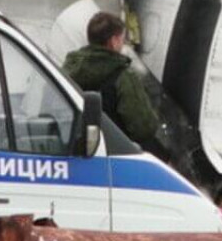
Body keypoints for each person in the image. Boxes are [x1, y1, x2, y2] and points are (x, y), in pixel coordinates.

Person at [62, 11, 160, 150]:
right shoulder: (123, 76)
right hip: (116, 154)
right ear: (114, 42)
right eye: (122, 39)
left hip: (77, 151)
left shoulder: (68, 71)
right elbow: (143, 128)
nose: (123, 44)